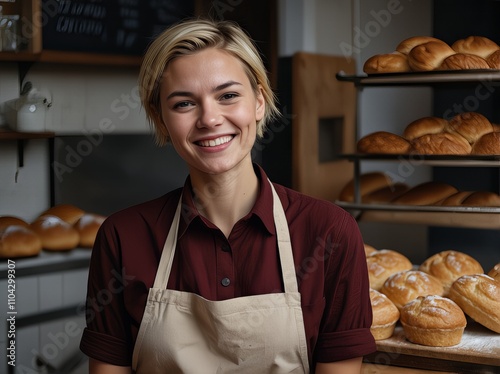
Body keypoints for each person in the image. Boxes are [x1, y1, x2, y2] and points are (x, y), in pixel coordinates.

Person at [80, 18, 376, 374]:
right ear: (161, 121)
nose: (209, 118)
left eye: (228, 96)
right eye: (184, 104)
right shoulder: (122, 237)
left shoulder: (330, 232)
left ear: (259, 103)